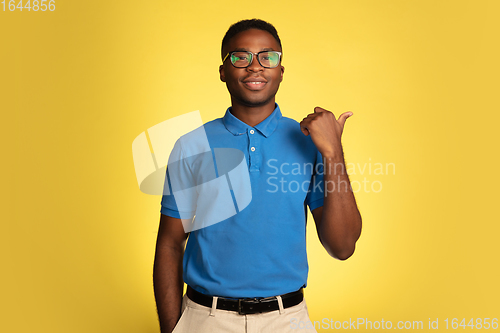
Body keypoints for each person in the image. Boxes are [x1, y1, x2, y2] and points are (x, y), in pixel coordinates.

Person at [153, 18, 362, 333]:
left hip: (287, 320)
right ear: (223, 71)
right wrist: (172, 329)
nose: (255, 66)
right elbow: (169, 244)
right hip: (204, 319)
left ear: (281, 71)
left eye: (268, 56)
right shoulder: (192, 145)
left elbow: (342, 246)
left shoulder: (310, 142)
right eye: (241, 57)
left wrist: (333, 152)